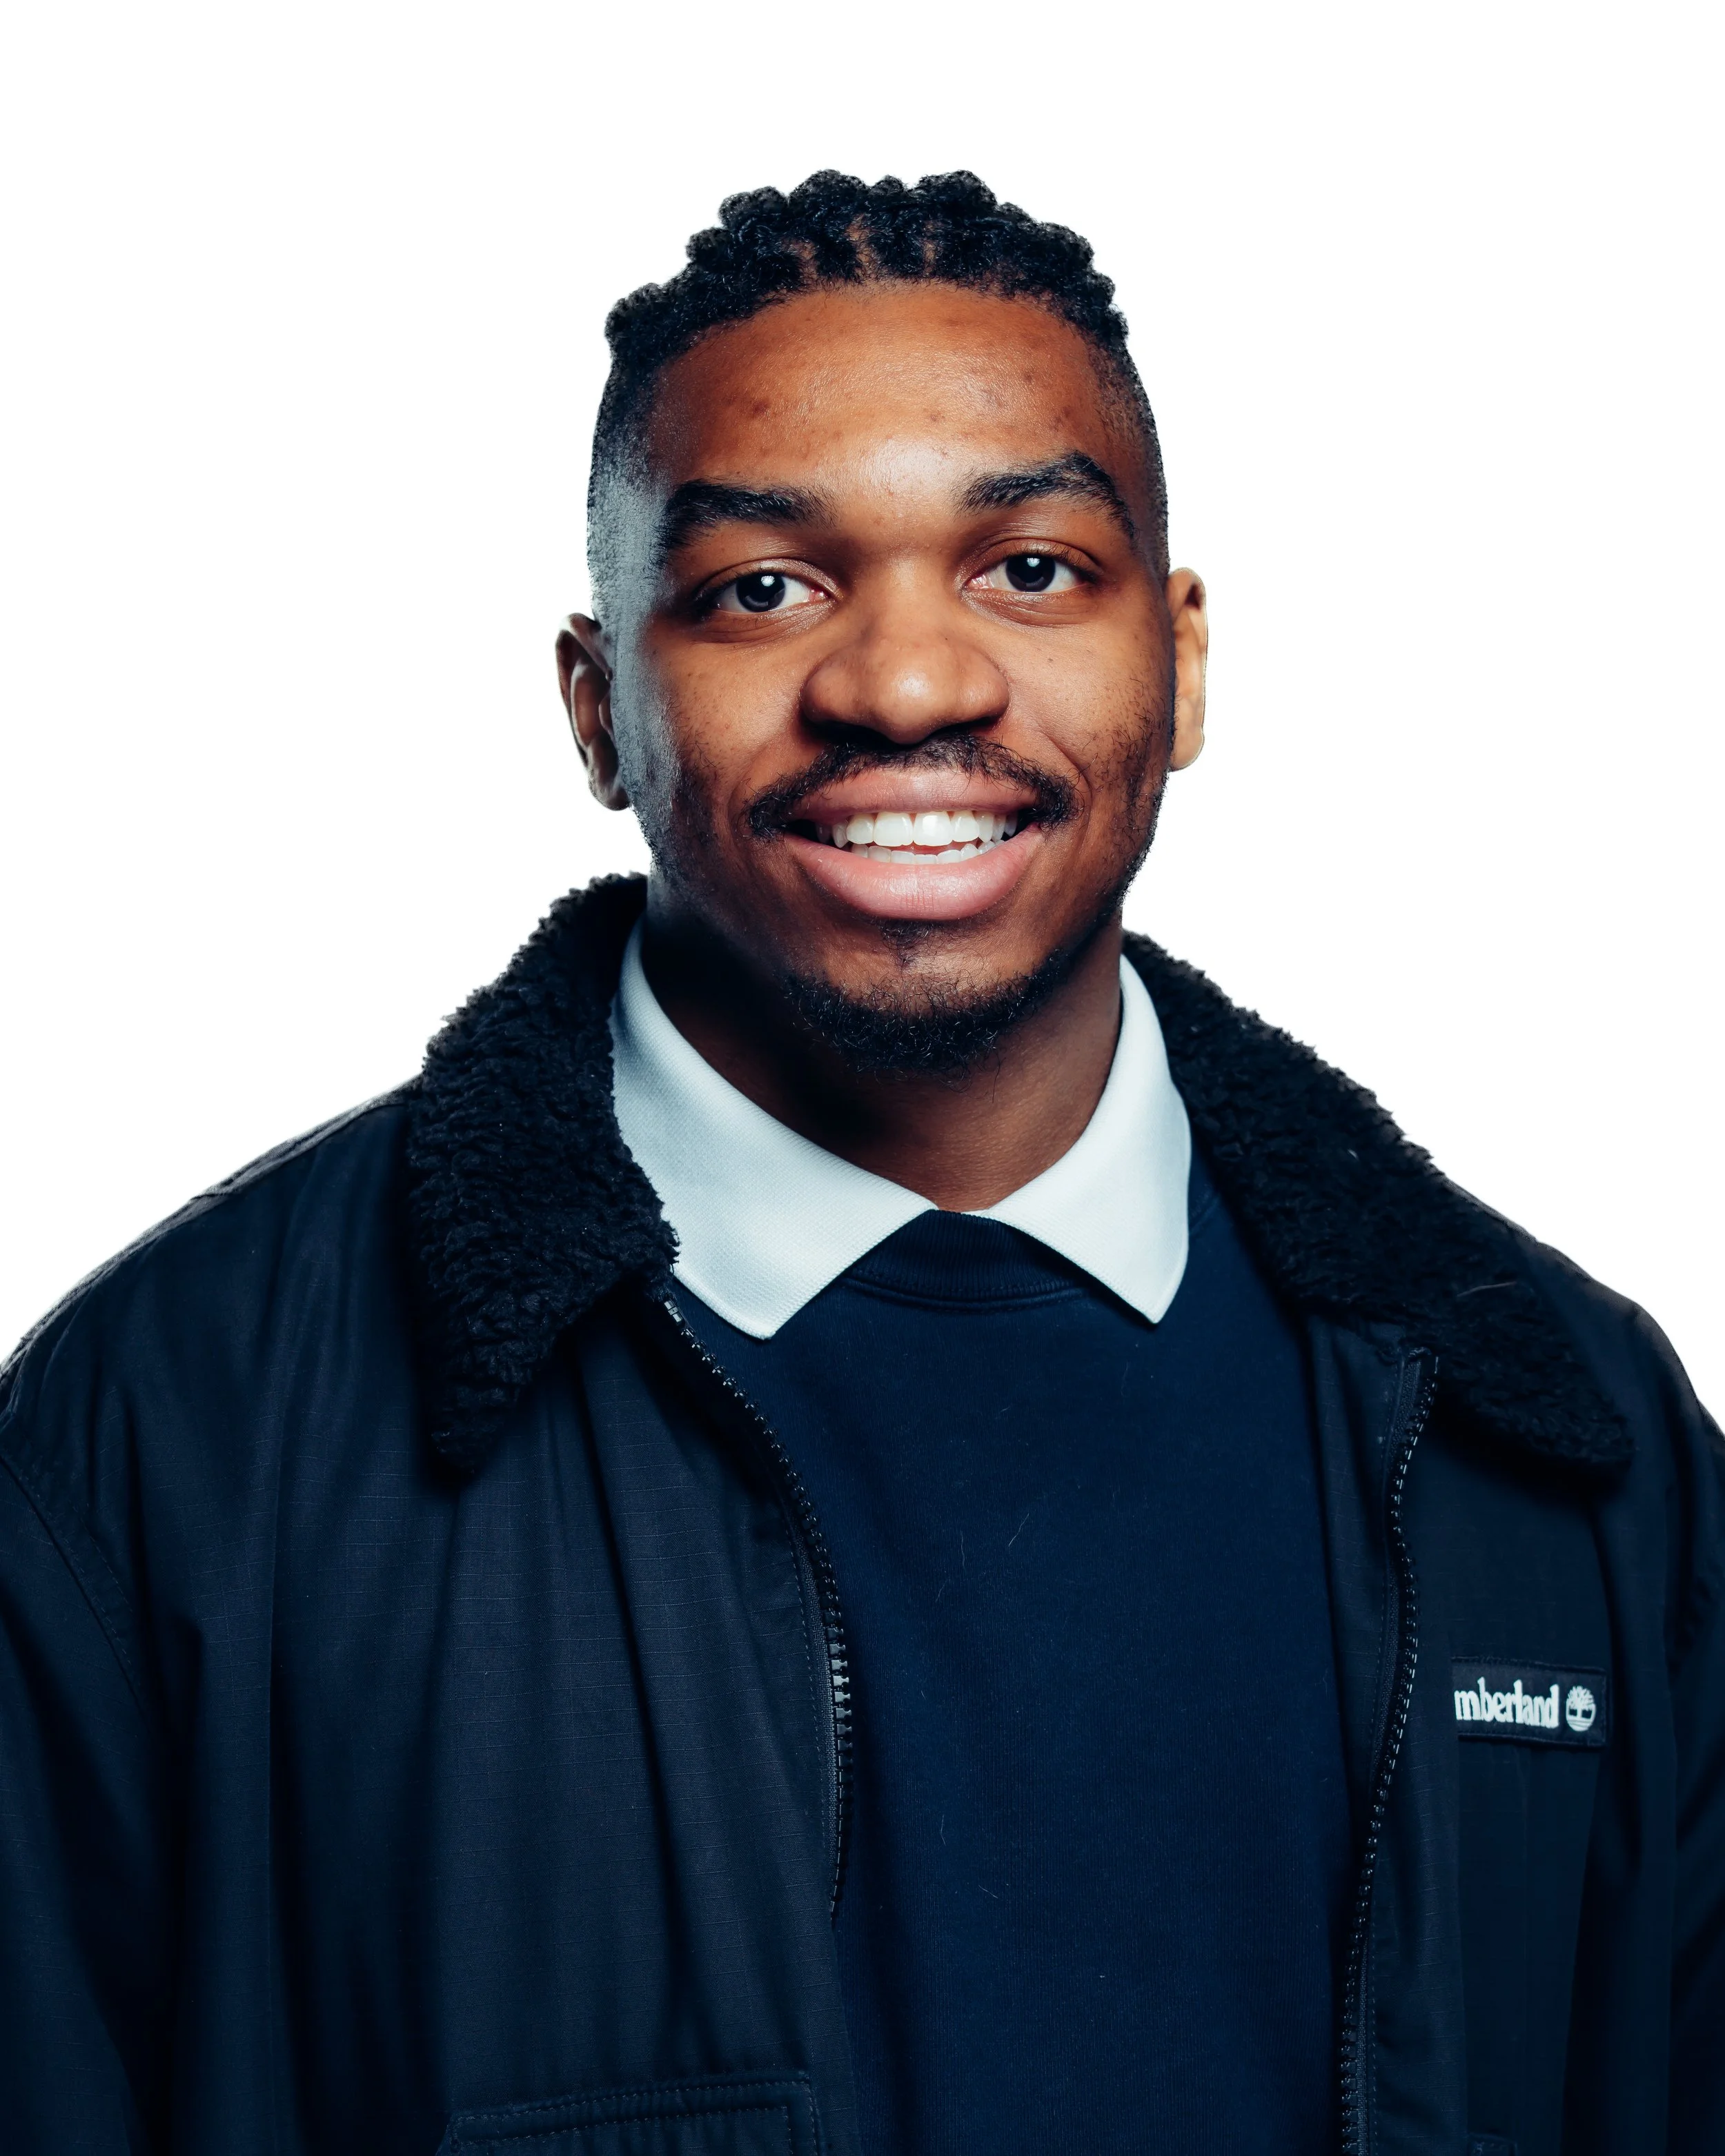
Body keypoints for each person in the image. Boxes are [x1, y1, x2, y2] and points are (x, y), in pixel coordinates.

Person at [0, 170, 1718, 2156]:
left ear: (1179, 661)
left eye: (1031, 569)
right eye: (763, 588)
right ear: (596, 707)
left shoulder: (1567, 1442)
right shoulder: (171, 1436)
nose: (908, 685)